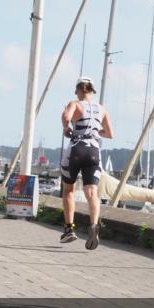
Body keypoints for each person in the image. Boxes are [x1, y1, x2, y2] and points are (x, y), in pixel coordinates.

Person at [59, 76, 114, 250]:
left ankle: (69, 229)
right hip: (94, 152)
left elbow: (66, 116)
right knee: (92, 192)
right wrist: (96, 130)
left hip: (77, 148)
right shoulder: (102, 109)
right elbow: (110, 134)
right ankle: (93, 226)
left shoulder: (75, 103)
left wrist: (66, 128)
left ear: (77, 90)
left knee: (68, 189)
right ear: (92, 91)